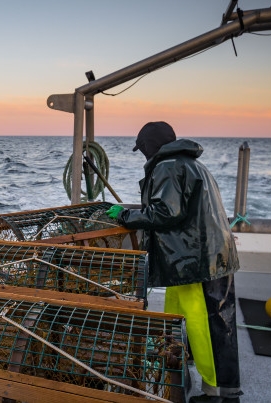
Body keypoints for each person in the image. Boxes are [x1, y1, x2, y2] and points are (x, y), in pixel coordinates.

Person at [107, 121, 241, 402]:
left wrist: (123, 216)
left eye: (142, 147)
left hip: (193, 263)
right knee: (215, 322)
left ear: (150, 145)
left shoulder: (168, 166)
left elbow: (167, 212)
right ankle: (205, 381)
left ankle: (215, 392)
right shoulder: (193, 165)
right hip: (210, 257)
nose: (142, 153)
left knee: (201, 324)